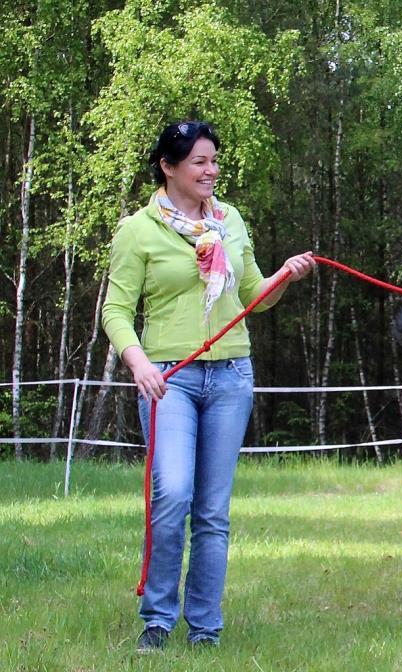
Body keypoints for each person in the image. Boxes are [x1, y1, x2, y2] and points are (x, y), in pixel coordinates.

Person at [101, 120, 316, 651]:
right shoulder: (138, 230)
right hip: (167, 379)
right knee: (172, 495)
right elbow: (116, 310)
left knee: (213, 511)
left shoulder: (230, 220)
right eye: (199, 162)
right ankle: (157, 619)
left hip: (231, 376)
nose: (211, 170)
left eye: (214, 160)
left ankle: (205, 628)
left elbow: (253, 298)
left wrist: (283, 276)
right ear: (168, 168)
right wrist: (138, 363)